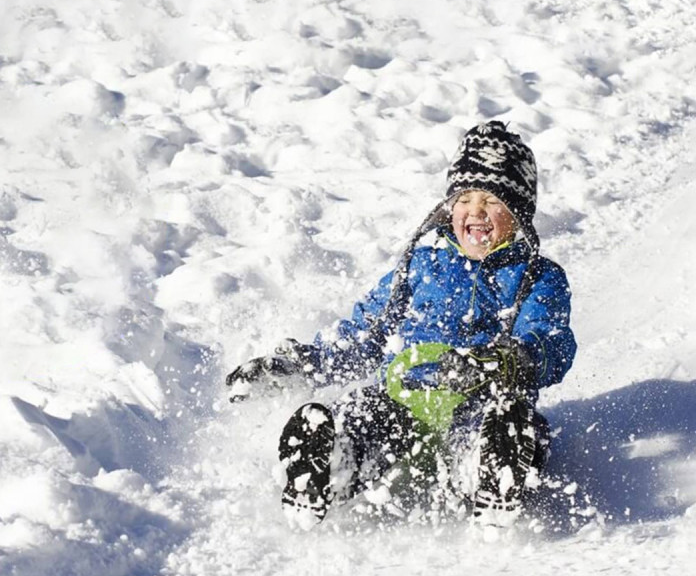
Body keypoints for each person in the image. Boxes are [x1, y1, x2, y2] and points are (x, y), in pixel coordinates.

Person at [226, 121, 576, 529]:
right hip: (401, 398)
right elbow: (365, 334)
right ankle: (327, 462)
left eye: (491, 200)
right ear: (450, 208)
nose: (476, 211)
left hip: (479, 401)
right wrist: (300, 363)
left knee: (515, 421)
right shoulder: (421, 266)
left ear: (518, 214)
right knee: (360, 413)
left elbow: (553, 339)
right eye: (465, 198)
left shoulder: (538, 277)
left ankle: (491, 469)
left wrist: (514, 359)